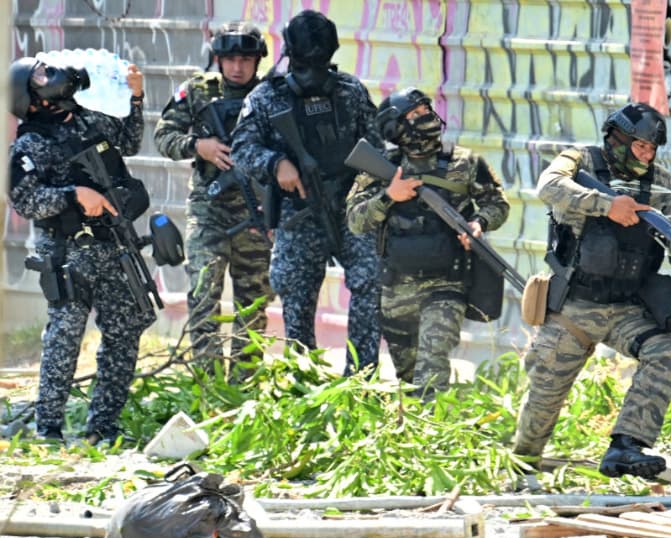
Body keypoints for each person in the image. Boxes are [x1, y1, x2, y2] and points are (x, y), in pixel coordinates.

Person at [513, 102, 671, 479]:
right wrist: (606, 205)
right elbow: (549, 185)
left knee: (667, 347)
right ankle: (522, 467)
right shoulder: (580, 160)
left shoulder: (663, 182)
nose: (647, 156)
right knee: (543, 397)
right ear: (618, 139)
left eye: (652, 149)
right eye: (640, 146)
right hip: (574, 308)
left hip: (628, 309)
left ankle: (626, 446)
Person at [7, 55, 155, 444]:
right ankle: (48, 427)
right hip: (68, 251)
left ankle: (103, 427)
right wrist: (74, 195)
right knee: (65, 335)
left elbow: (129, 140)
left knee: (125, 330)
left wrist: (136, 99)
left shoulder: (87, 120)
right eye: (40, 74)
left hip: (113, 245)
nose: (51, 73)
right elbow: (25, 199)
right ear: (32, 99)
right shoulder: (31, 143)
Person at [231, 10, 382, 374]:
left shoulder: (350, 91)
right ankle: (304, 379)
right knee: (296, 299)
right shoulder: (267, 96)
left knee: (372, 282)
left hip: (350, 207)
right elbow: (241, 149)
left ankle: (361, 380)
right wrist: (275, 164)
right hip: (299, 212)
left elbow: (376, 145)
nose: (312, 72)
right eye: (304, 63)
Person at [346, 87, 510, 399]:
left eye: (426, 110)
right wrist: (388, 196)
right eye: (415, 114)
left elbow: (497, 204)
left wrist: (479, 223)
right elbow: (355, 221)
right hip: (396, 289)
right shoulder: (382, 168)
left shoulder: (465, 162)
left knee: (432, 366)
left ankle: (433, 418)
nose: (427, 117)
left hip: (447, 284)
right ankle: (420, 425)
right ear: (395, 127)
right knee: (409, 377)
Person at [153, 21, 274, 379]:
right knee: (204, 293)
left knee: (253, 302)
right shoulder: (198, 91)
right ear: (218, 59)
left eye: (246, 60)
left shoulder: (269, 95)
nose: (237, 67)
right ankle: (208, 383)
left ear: (257, 60)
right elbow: (164, 136)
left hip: (257, 211)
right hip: (209, 209)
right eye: (230, 59)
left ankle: (244, 385)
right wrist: (198, 146)